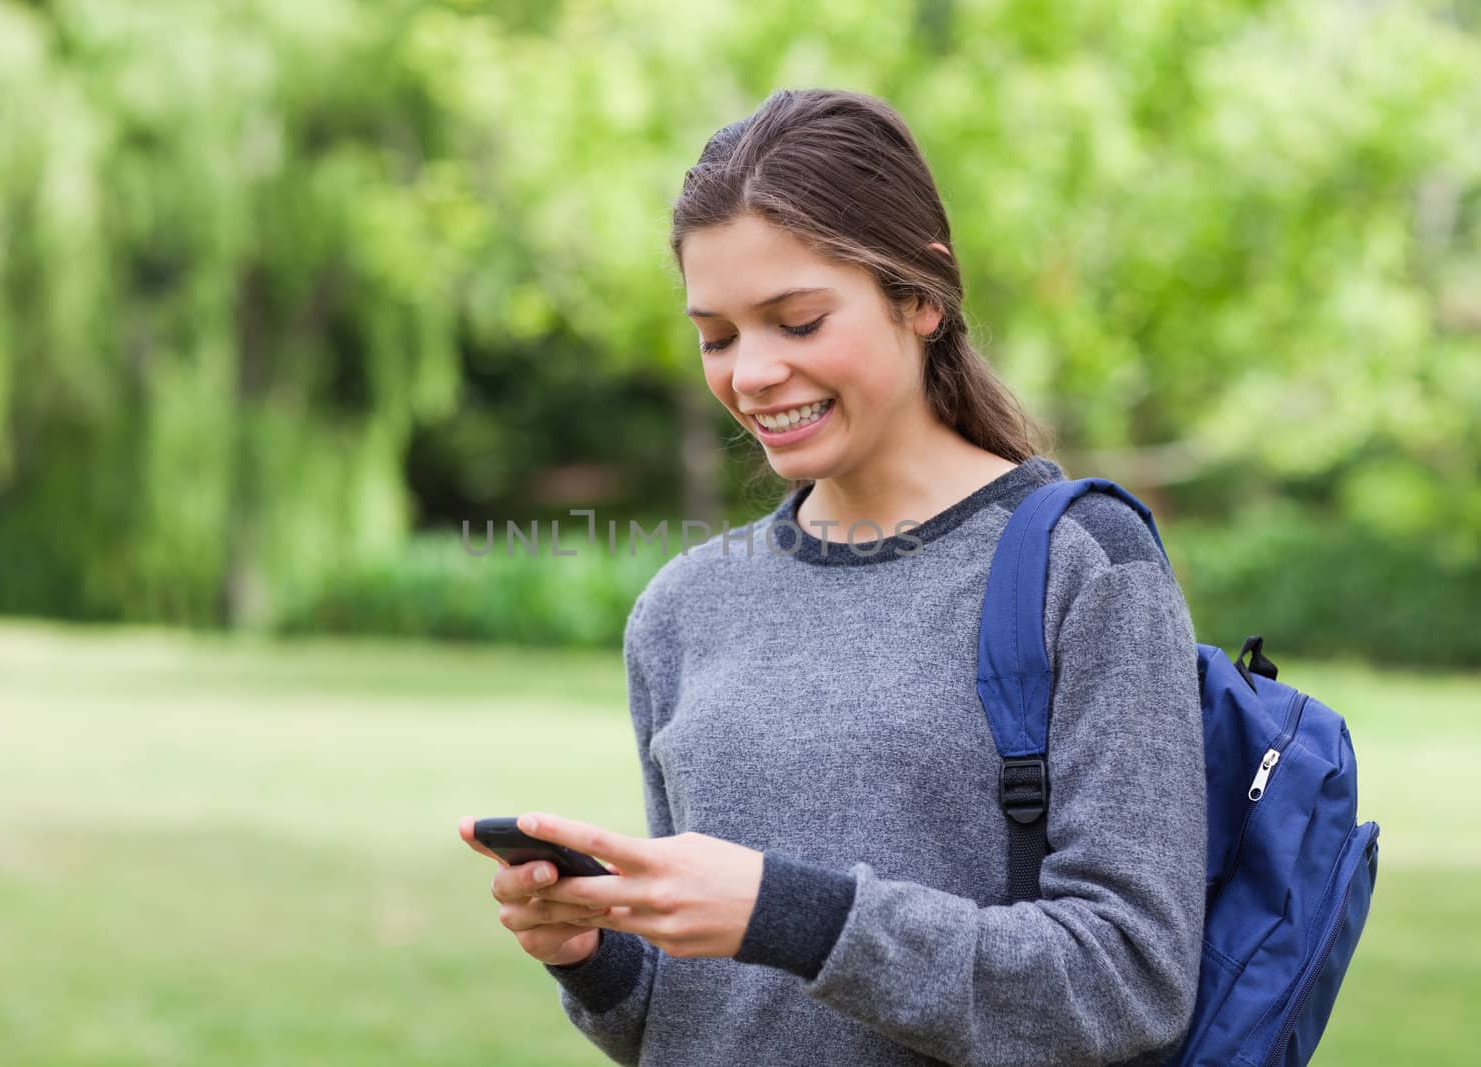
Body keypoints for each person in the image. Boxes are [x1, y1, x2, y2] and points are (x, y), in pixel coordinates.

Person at [457, 86, 1207, 1067]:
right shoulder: (685, 609)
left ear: (922, 295)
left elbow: (1127, 977)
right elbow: (701, 1017)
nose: (751, 372)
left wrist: (795, 914)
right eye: (717, 336)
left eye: (797, 321)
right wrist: (597, 956)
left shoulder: (1082, 562)